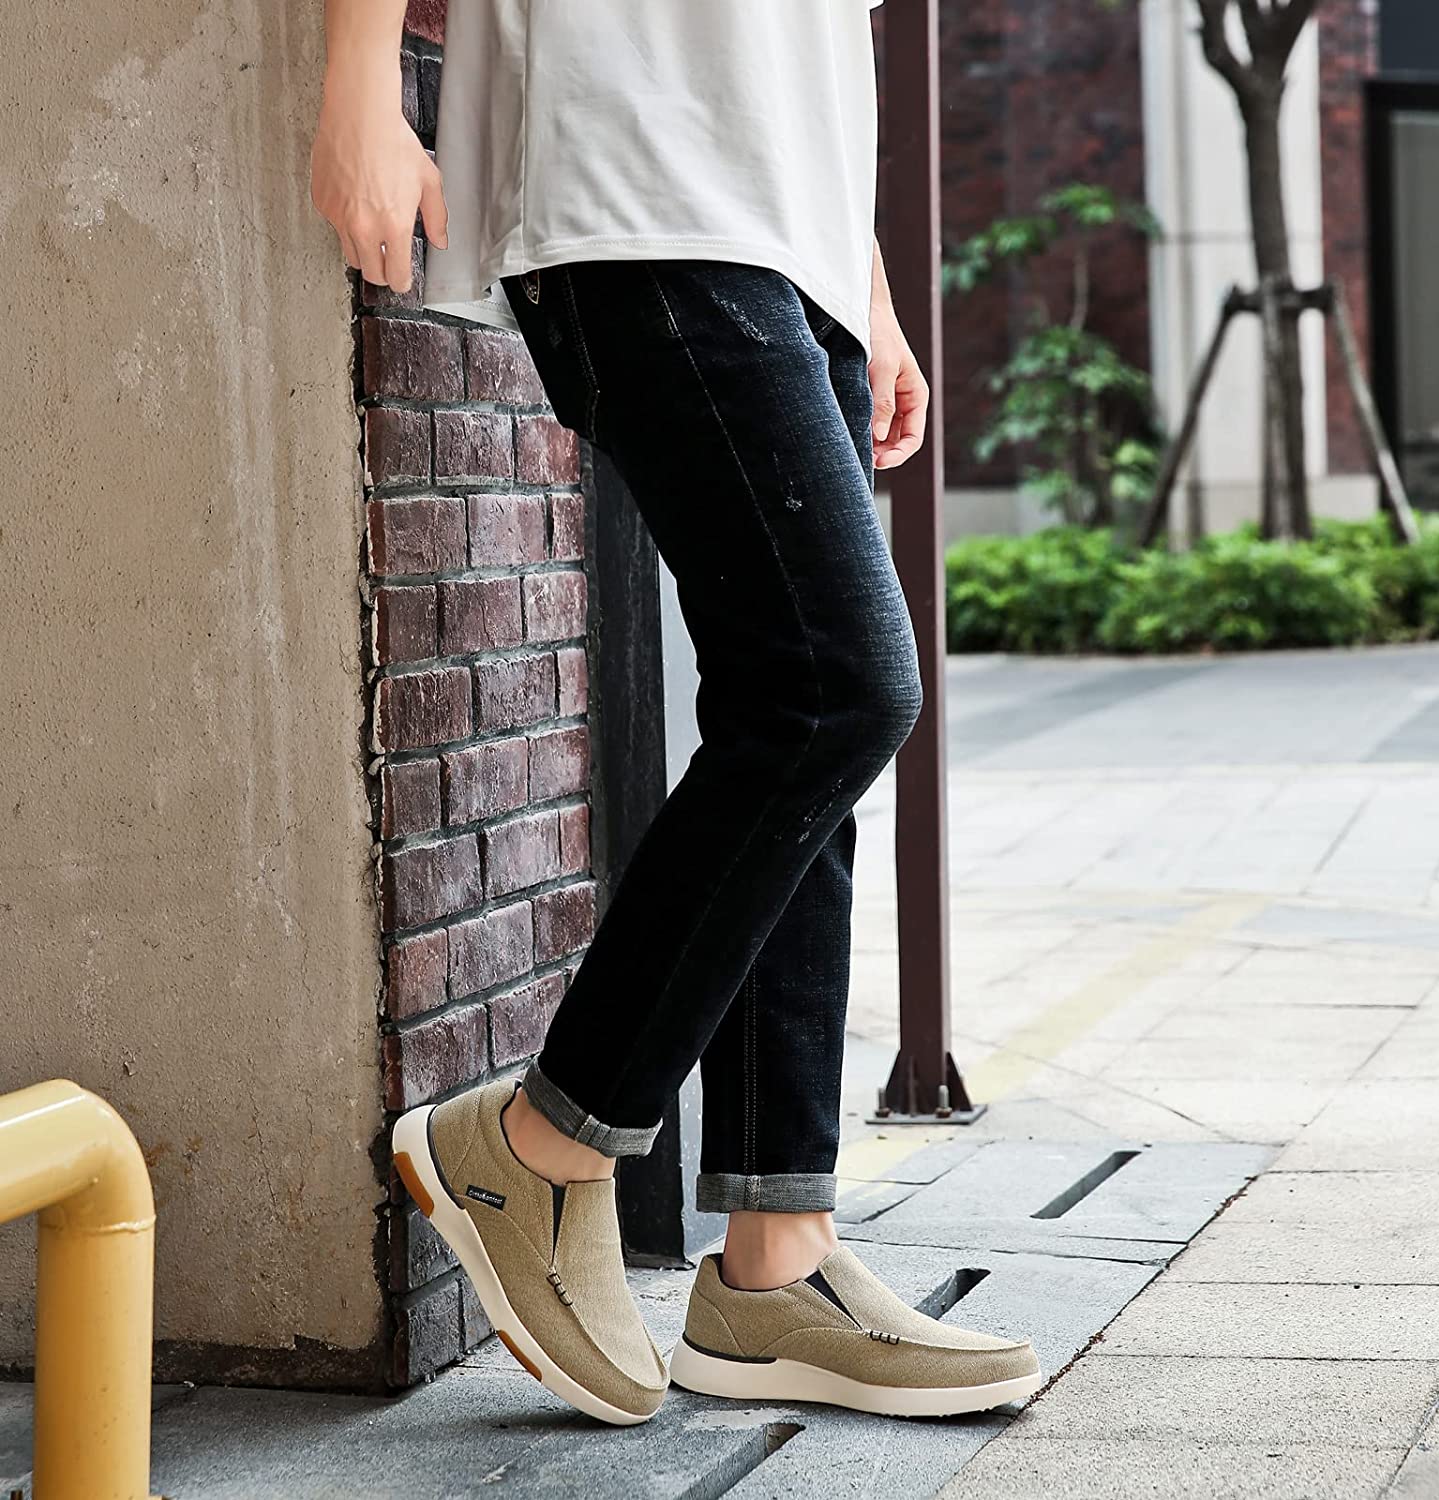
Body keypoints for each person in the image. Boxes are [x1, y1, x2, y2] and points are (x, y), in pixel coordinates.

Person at [312, 0, 1040, 1425]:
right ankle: (542, 1141)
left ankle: (776, 1264)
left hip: (794, 233)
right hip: (635, 183)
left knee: (802, 731)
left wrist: (865, 279)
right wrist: (356, 82)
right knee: (834, 688)